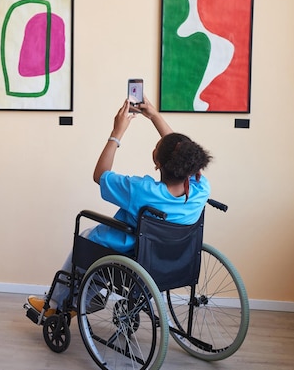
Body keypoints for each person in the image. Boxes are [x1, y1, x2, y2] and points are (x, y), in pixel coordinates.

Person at [28, 97, 212, 315]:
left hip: (133, 254)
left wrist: (117, 133)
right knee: (100, 242)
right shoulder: (201, 189)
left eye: (157, 148)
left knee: (88, 236)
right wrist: (153, 115)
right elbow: (183, 154)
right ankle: (86, 295)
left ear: (158, 164)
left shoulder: (141, 191)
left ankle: (57, 305)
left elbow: (100, 175)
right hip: (172, 258)